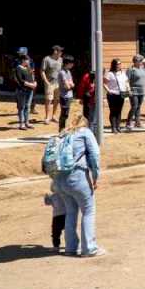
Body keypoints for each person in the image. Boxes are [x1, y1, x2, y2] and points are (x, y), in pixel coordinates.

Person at [54, 110, 104, 257]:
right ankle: (89, 248)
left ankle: (70, 247)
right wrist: (95, 176)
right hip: (78, 176)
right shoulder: (85, 132)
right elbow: (95, 154)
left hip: (60, 179)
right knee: (88, 210)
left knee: (70, 212)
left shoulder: (62, 134)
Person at [104, 58, 129, 135]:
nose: (119, 65)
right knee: (113, 111)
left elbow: (126, 82)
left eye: (120, 63)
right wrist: (109, 91)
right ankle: (113, 127)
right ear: (114, 65)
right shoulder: (110, 74)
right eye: (118, 64)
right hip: (112, 95)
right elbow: (104, 83)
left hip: (121, 94)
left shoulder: (122, 73)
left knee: (119, 111)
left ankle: (118, 127)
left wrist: (128, 89)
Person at [41, 45, 64, 124]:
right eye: (60, 51)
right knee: (48, 100)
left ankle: (53, 116)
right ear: (55, 51)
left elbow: (62, 71)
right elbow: (42, 71)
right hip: (50, 82)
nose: (61, 52)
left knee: (57, 100)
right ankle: (47, 117)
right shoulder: (47, 59)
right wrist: (46, 81)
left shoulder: (61, 60)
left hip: (58, 83)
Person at [14, 55, 37, 130]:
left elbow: (32, 77)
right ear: (23, 60)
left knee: (28, 106)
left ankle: (27, 122)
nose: (29, 61)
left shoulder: (28, 68)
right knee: (22, 107)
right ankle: (22, 124)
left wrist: (34, 83)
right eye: (27, 60)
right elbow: (20, 80)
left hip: (30, 90)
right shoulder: (18, 68)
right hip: (22, 90)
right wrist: (31, 85)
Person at [126, 55, 145, 129]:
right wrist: (128, 90)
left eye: (141, 61)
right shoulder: (131, 69)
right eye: (140, 61)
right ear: (135, 61)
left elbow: (144, 79)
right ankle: (128, 122)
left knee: (138, 107)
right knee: (134, 106)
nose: (141, 62)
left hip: (141, 91)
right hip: (133, 91)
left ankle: (137, 122)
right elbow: (127, 81)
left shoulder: (143, 69)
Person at [57, 56, 76, 132]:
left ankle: (63, 129)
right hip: (64, 96)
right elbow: (67, 86)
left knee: (66, 114)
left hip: (69, 95)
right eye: (71, 63)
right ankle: (61, 129)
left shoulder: (68, 72)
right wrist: (69, 85)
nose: (72, 65)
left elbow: (72, 84)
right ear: (67, 63)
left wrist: (70, 85)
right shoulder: (62, 72)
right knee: (64, 113)